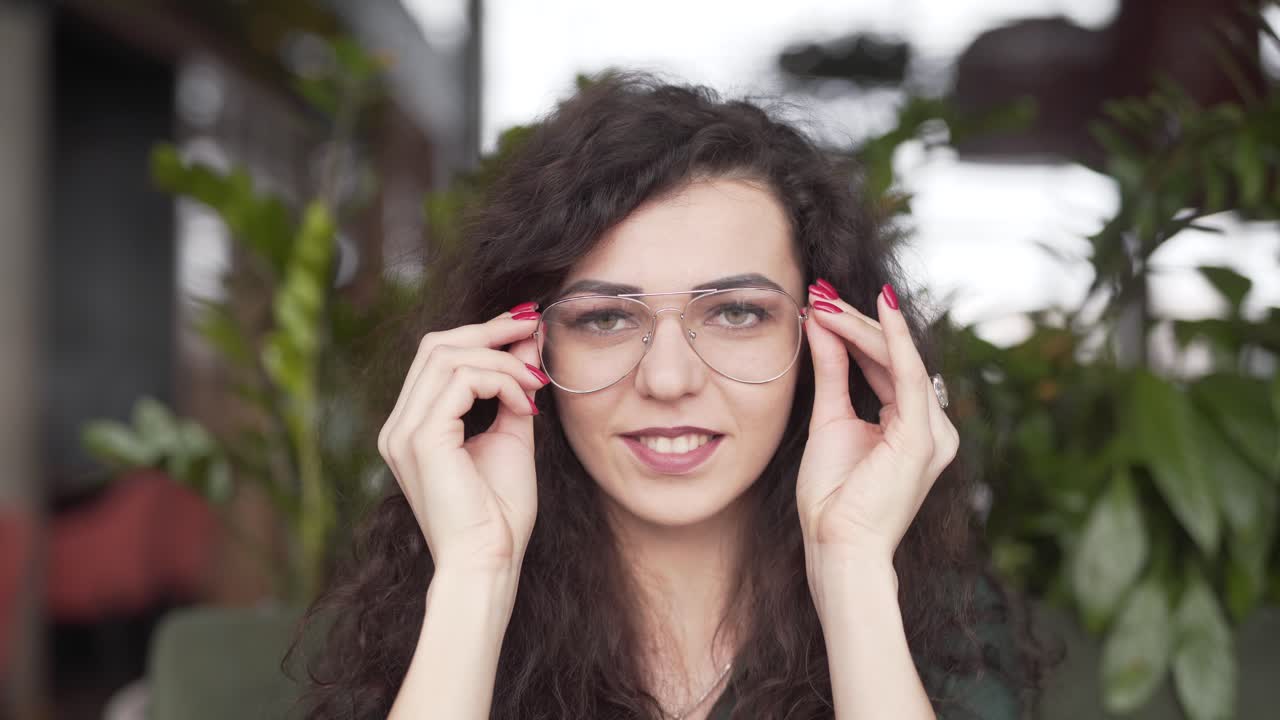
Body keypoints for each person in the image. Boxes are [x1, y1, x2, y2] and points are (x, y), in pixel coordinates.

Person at [290, 72, 1041, 719]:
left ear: (824, 342)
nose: (670, 379)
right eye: (606, 318)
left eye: (737, 313)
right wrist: (476, 574)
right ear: (525, 347)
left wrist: (849, 568)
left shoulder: (952, 636)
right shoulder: (420, 625)